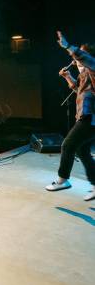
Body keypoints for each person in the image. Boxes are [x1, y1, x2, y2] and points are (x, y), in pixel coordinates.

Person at [46, 32, 95, 201]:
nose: (76, 61)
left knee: (67, 145)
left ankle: (62, 179)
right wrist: (68, 77)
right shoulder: (85, 76)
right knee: (82, 151)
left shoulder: (94, 69)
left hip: (90, 119)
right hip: (88, 118)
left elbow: (84, 58)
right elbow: (79, 92)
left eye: (80, 57)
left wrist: (68, 46)